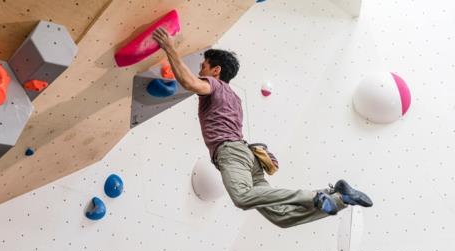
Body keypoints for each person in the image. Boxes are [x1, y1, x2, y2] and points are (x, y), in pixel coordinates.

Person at [152, 28, 372, 228]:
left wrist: (170, 48)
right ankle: (341, 199)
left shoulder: (215, 85)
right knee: (282, 219)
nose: (200, 72)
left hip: (231, 153)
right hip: (246, 157)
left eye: (203, 67)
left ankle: (317, 195)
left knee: (241, 197)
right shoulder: (234, 97)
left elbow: (190, 83)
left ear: (216, 70)